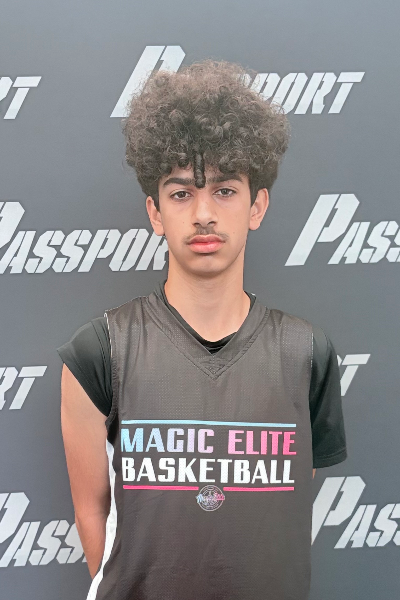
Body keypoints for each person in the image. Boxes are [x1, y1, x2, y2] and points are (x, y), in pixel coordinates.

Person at [57, 59, 347, 600]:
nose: (204, 214)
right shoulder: (99, 350)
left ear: (257, 205)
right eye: (182, 193)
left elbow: (283, 503)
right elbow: (91, 510)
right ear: (155, 212)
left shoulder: (307, 353)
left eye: (225, 190)